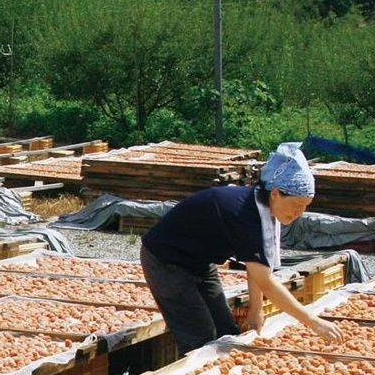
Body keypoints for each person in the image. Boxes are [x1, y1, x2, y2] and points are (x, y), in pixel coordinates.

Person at [140, 141, 341, 353]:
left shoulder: (264, 211)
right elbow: (267, 282)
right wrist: (312, 321)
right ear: (275, 193)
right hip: (166, 261)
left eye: (305, 207)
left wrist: (256, 310)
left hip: (199, 263)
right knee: (200, 336)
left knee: (226, 330)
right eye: (297, 204)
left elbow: (257, 265)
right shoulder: (244, 215)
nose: (299, 213)